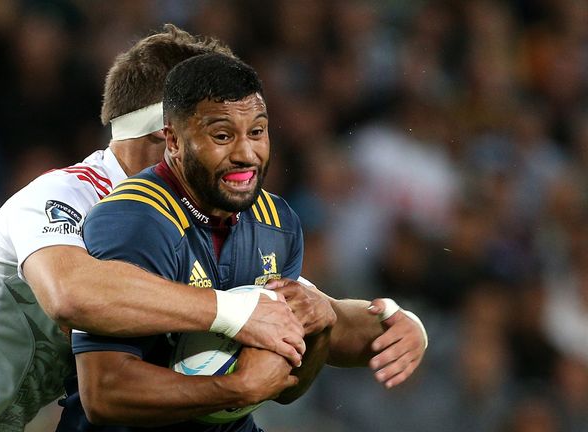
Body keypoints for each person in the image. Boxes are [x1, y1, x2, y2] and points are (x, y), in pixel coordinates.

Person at [0, 25, 306, 432]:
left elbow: (286, 300)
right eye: (218, 130)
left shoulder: (178, 222)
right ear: (170, 134)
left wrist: (368, 317)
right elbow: (71, 295)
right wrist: (232, 311)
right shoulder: (60, 196)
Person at [56, 52, 425, 432]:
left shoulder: (277, 223)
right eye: (222, 135)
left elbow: (284, 389)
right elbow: (104, 393)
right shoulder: (135, 220)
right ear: (174, 140)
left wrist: (325, 325)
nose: (246, 154)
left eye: (257, 132)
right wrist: (235, 389)